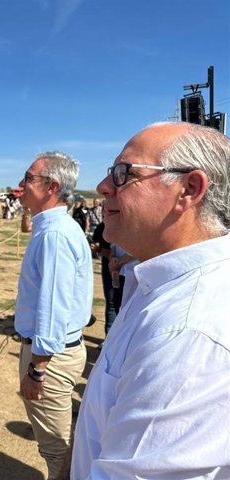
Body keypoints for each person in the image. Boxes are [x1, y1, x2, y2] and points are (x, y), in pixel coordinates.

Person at [71, 122, 230, 479]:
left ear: (189, 189)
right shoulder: (154, 282)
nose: (102, 187)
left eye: (123, 174)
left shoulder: (189, 331)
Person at [14, 151, 93, 480]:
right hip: (55, 353)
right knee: (60, 447)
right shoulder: (53, 228)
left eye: (29, 178)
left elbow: (52, 307)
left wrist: (38, 368)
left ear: (52, 186)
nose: (21, 184)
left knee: (58, 450)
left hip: (51, 357)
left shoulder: (54, 234)